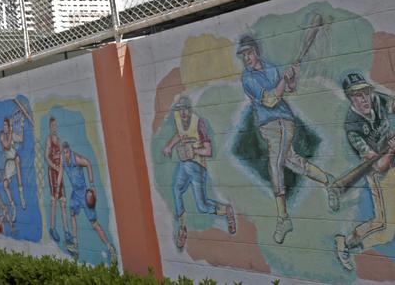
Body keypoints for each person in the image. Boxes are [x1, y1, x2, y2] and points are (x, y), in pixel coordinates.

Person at [237, 33, 338, 244]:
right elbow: (271, 99)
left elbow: (287, 92)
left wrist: (291, 78)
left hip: (282, 122)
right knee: (292, 160)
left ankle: (283, 218)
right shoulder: (247, 78)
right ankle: (329, 181)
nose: (247, 58)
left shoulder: (271, 68)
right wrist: (284, 81)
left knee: (275, 163)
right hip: (268, 125)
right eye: (243, 55)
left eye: (249, 53)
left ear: (256, 51)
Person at [333, 73, 395, 271]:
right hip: (380, 173)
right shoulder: (352, 128)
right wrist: (392, 150)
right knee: (384, 229)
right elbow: (378, 166)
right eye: (358, 95)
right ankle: (349, 244)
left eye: (365, 92)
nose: (364, 98)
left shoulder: (376, 99)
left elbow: (392, 105)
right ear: (350, 97)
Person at [161, 95, 236, 250]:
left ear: (190, 109)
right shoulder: (178, 119)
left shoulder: (199, 123)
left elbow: (208, 151)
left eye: (185, 109)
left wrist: (193, 150)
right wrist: (169, 146)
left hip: (197, 166)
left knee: (202, 206)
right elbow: (179, 134)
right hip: (184, 165)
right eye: (180, 110)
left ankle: (225, 210)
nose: (182, 113)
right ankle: (182, 227)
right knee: (176, 189)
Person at [61, 141, 117, 265]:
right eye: (63, 152)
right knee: (72, 214)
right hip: (75, 194)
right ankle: (75, 244)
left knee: (94, 224)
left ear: (69, 150)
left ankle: (110, 247)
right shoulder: (63, 161)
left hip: (84, 194)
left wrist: (92, 185)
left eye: (66, 152)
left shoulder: (77, 159)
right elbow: (59, 169)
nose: (65, 154)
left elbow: (88, 163)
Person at [46, 116, 68, 243]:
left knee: (63, 201)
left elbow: (61, 159)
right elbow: (46, 157)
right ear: (49, 127)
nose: (54, 127)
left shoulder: (58, 141)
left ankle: (66, 231)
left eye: (55, 125)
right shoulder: (49, 140)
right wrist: (54, 167)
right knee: (54, 200)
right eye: (52, 125)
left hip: (59, 173)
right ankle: (53, 228)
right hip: (52, 173)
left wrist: (60, 169)